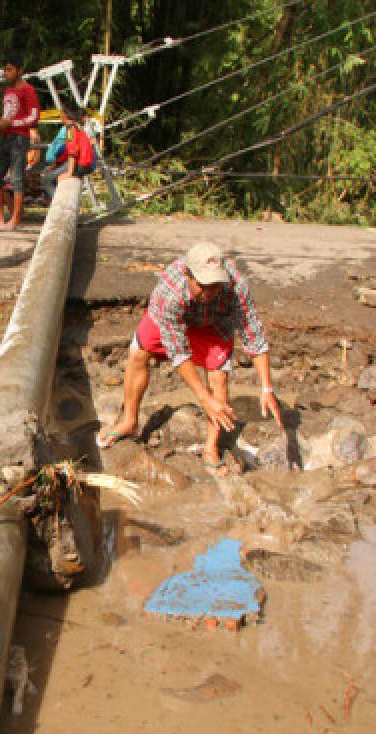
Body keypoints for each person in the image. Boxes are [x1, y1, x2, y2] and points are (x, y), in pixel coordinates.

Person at [96, 242, 283, 477]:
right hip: (173, 319)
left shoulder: (235, 285)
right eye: (203, 286)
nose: (210, 292)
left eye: (215, 285)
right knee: (138, 352)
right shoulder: (170, 292)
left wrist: (267, 387)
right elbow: (179, 353)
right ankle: (129, 421)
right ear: (188, 274)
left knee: (219, 375)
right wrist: (204, 400)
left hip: (214, 323)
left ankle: (210, 448)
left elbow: (253, 333)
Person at [0, 50, 40, 231]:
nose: (7, 74)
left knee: (17, 177)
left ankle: (16, 217)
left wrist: (11, 123)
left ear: (20, 70)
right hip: (7, 136)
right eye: (5, 70)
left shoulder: (28, 90)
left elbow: (34, 117)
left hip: (20, 138)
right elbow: (6, 116)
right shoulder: (8, 91)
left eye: (10, 70)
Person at [42, 104, 96, 201]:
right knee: (53, 175)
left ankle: (59, 203)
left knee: (46, 179)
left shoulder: (70, 130)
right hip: (84, 164)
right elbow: (67, 152)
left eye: (61, 114)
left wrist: (69, 173)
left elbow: (72, 153)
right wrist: (55, 165)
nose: (60, 117)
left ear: (65, 115)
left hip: (80, 165)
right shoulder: (78, 127)